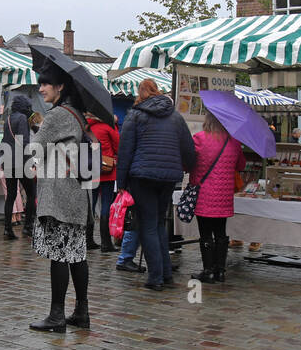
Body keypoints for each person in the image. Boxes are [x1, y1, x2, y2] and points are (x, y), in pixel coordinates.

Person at [26, 62, 93, 331]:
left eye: (45, 84)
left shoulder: (55, 116)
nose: (41, 89)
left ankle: (56, 316)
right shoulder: (77, 114)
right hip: (76, 193)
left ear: (60, 86)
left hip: (59, 194)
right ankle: (81, 312)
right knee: (77, 254)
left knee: (59, 254)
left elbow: (35, 151)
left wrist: (36, 134)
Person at [115, 78, 195, 291]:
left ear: (140, 94)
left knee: (148, 225)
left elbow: (125, 151)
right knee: (158, 223)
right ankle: (165, 274)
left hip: (142, 177)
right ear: (157, 92)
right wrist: (187, 167)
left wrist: (121, 182)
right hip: (168, 177)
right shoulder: (176, 117)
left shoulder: (136, 115)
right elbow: (188, 149)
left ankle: (156, 277)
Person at [190, 112, 246, 284]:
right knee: (221, 233)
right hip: (224, 195)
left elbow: (189, 163)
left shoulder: (199, 138)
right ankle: (220, 271)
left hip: (204, 194)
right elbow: (241, 165)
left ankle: (208, 271)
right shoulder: (234, 142)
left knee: (205, 234)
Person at [1, 95, 36, 240]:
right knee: (31, 193)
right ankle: (28, 227)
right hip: (21, 162)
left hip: (8, 160)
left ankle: (7, 228)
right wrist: (31, 161)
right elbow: (24, 141)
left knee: (10, 196)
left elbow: (6, 140)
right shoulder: (22, 118)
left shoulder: (8, 119)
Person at [88, 112, 120, 252]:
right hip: (106, 170)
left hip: (90, 171)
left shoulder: (86, 128)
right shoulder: (107, 128)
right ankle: (106, 243)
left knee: (91, 203)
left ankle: (88, 240)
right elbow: (118, 146)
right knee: (106, 204)